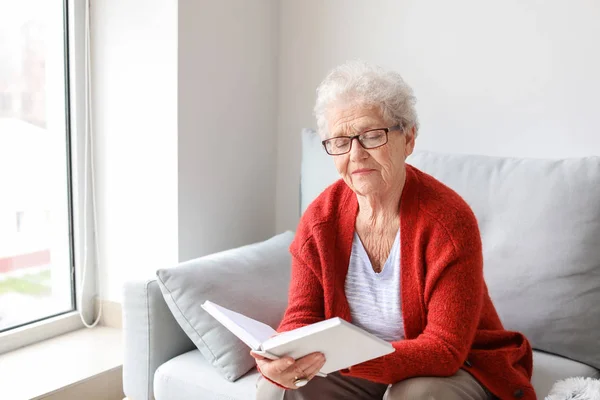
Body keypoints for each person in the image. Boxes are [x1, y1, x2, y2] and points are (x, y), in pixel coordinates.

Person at [252, 61, 535, 400]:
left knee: (414, 396)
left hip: (459, 366)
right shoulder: (320, 219)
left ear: (409, 138)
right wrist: (281, 358)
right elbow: (302, 315)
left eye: (372, 136)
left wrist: (346, 361)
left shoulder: (449, 221)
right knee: (276, 390)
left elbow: (445, 349)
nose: (356, 154)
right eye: (340, 141)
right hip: (360, 367)